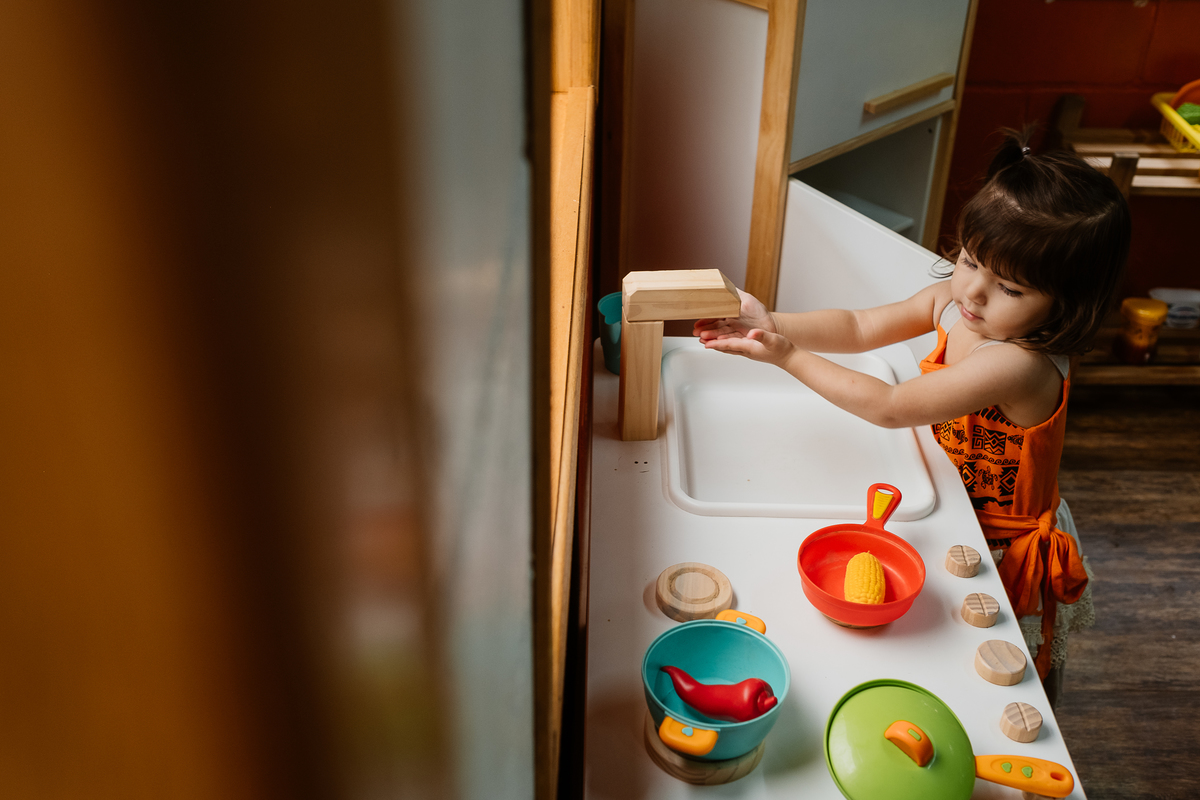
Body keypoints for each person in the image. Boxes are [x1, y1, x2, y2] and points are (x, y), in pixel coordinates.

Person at [696, 130, 1130, 693]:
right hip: (951, 502)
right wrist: (773, 323)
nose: (973, 292)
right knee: (939, 647)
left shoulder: (1019, 363)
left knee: (1001, 664)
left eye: (1009, 288)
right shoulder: (955, 304)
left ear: (1066, 305)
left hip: (1000, 541)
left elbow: (891, 405)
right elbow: (859, 326)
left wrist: (787, 357)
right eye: (970, 261)